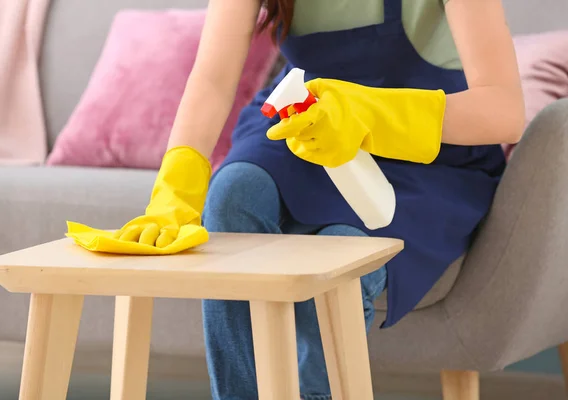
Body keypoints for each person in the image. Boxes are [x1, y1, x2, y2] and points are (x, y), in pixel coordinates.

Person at [110, 0, 525, 398]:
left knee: (340, 255)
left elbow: (504, 111)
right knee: (232, 196)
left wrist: (366, 114)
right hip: (305, 127)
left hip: (429, 155)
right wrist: (173, 192)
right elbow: (213, 79)